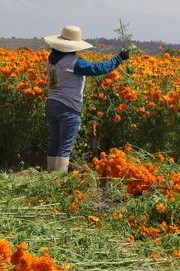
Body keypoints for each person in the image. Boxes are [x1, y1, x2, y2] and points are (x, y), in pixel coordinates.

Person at [44, 25, 130, 173]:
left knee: (55, 142)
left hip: (51, 104)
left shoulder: (51, 60)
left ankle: (49, 175)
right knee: (65, 145)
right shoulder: (75, 62)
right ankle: (57, 180)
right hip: (68, 107)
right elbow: (99, 69)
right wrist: (119, 58)